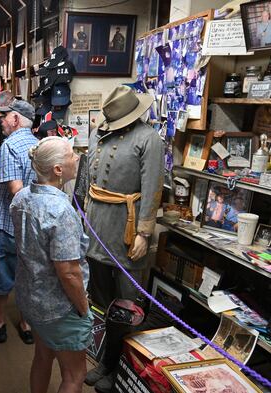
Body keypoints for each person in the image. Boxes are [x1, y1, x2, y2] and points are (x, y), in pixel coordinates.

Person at [84, 86, 164, 392]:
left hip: (127, 230)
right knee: (103, 302)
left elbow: (153, 185)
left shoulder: (149, 138)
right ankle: (106, 360)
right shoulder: (97, 134)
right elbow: (88, 182)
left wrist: (145, 232)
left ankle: (120, 367)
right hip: (96, 228)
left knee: (127, 304)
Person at [10, 137, 92, 393]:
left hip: (31, 297)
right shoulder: (61, 211)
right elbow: (68, 272)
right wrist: (83, 308)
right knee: (75, 374)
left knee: (43, 356)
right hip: (59, 306)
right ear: (58, 169)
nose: (76, 158)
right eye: (71, 155)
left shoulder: (22, 197)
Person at [0, 99, 38, 345]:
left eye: (6, 116)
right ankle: (27, 324)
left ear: (16, 119)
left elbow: (16, 190)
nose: (2, 120)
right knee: (28, 274)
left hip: (10, 223)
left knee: (3, 273)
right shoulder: (40, 145)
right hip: (35, 226)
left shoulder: (10, 145)